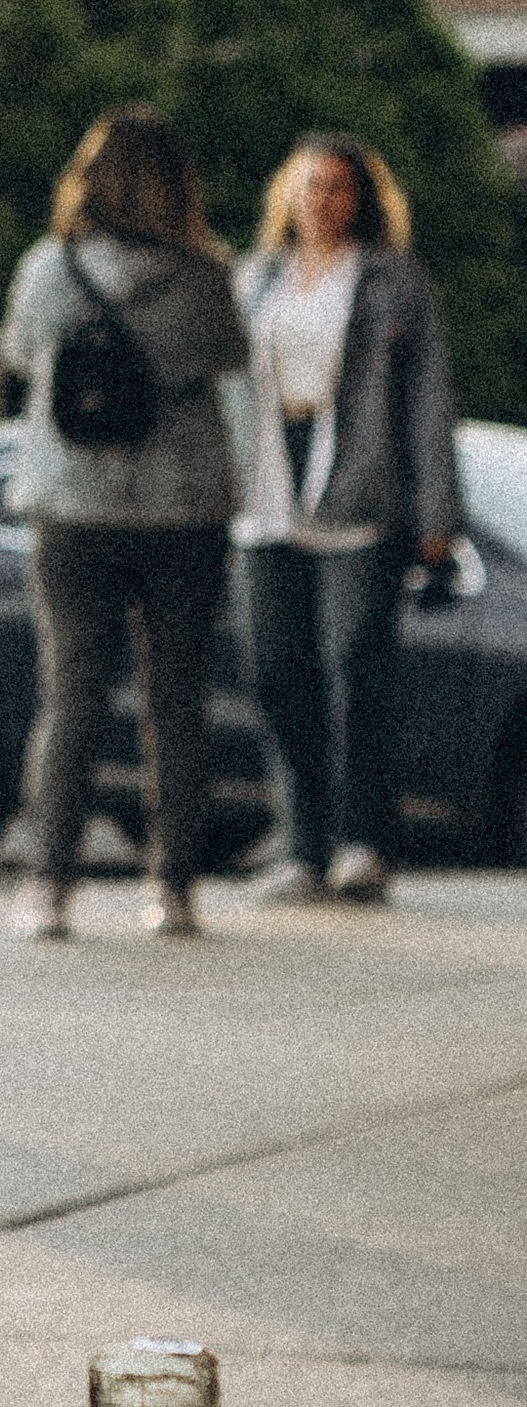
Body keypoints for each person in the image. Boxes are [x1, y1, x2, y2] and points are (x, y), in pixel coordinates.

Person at [0, 107, 248, 941]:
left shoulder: (46, 270)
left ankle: (48, 887)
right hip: (184, 511)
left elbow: (27, 359)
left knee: (70, 700)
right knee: (176, 702)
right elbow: (228, 361)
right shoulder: (207, 277)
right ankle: (172, 888)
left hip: (70, 506)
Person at [233, 132, 458, 904]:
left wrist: (438, 514)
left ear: (362, 198)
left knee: (356, 668)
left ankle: (362, 842)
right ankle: (301, 842)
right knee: (274, 669)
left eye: (337, 186)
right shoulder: (255, 279)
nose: (321, 199)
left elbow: (429, 402)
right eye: (308, 185)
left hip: (361, 491)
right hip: (267, 489)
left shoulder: (395, 282)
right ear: (286, 196)